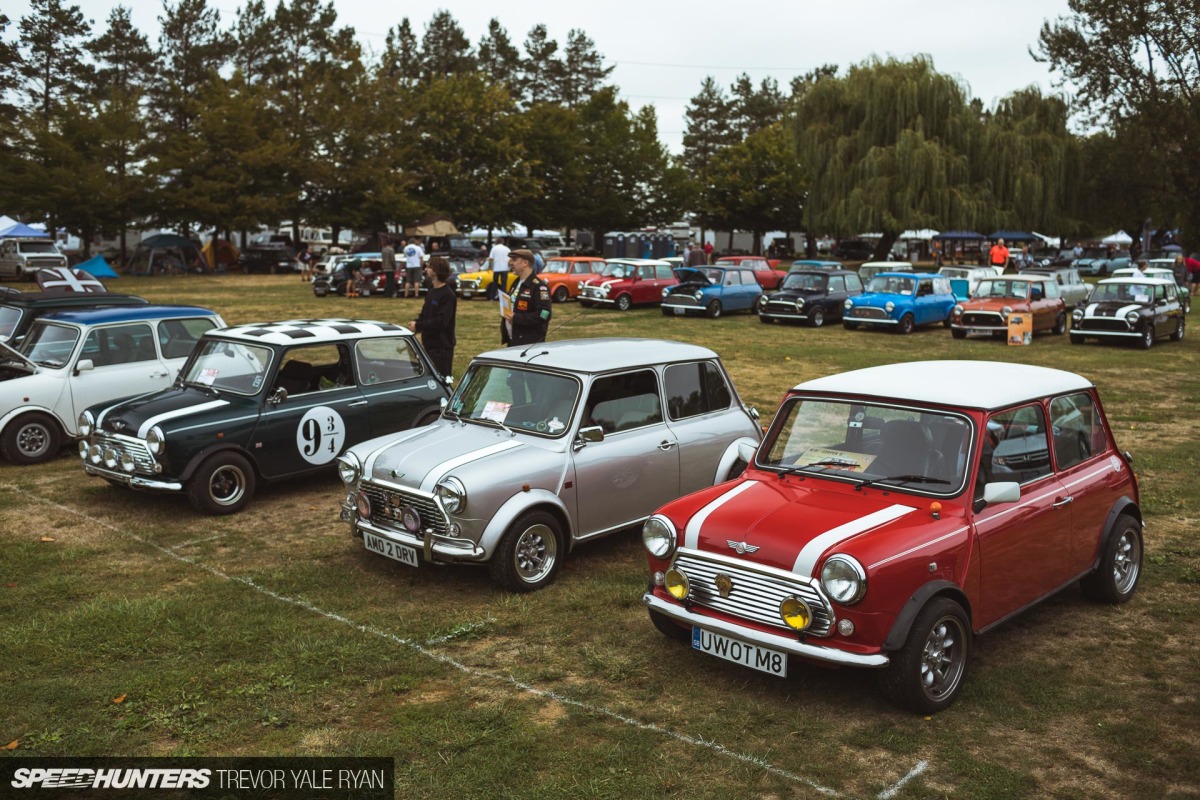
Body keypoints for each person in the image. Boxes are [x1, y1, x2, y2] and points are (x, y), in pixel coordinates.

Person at [410, 256, 457, 379]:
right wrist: (416, 323)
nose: (425, 269)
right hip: (429, 344)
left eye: (428, 266)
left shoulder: (448, 295)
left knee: (442, 379)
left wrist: (419, 326)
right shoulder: (431, 291)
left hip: (441, 347)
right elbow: (426, 314)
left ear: (435, 271)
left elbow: (442, 322)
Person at [501, 249, 551, 346]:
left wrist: (517, 318)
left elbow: (544, 314)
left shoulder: (539, 287)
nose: (510, 263)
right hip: (513, 341)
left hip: (529, 345)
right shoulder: (516, 282)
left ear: (525, 263)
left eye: (514, 259)